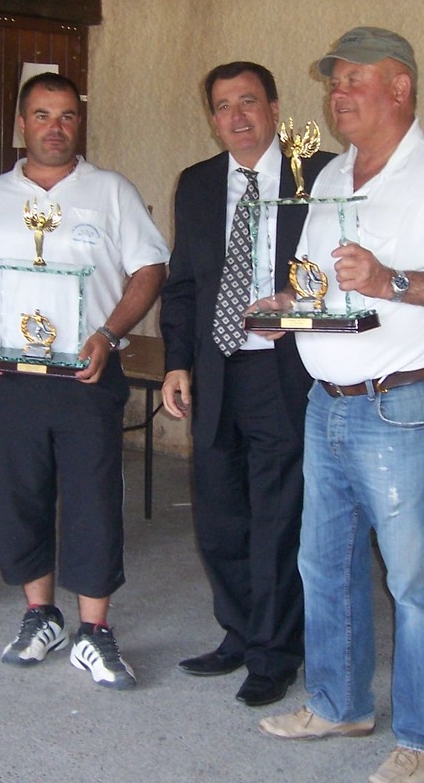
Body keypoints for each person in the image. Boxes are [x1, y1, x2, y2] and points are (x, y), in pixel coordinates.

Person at [255, 27, 424, 783]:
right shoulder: (332, 173)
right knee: (323, 565)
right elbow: (324, 282)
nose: (338, 95)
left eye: (354, 80)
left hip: (403, 407)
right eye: (333, 83)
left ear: (400, 88)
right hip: (325, 401)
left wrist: (393, 281)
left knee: (415, 582)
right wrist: (287, 303)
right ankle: (339, 703)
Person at [0, 72, 168, 689]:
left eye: (66, 115)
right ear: (21, 123)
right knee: (19, 497)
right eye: (42, 115)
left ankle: (95, 631)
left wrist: (110, 334)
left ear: (78, 123)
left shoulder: (110, 192)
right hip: (9, 377)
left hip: (87, 374)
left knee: (93, 498)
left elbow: (149, 269)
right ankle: (40, 615)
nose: (55, 127)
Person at [159, 61, 331, 707]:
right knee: (219, 517)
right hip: (213, 370)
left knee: (278, 518)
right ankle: (239, 631)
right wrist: (178, 361)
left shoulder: (316, 174)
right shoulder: (198, 183)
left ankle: (275, 651)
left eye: (249, 102)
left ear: (275, 106)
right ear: (212, 117)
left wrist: (300, 303)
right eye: (223, 106)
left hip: (283, 371)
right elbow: (183, 285)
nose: (236, 116)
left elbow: (338, 271)